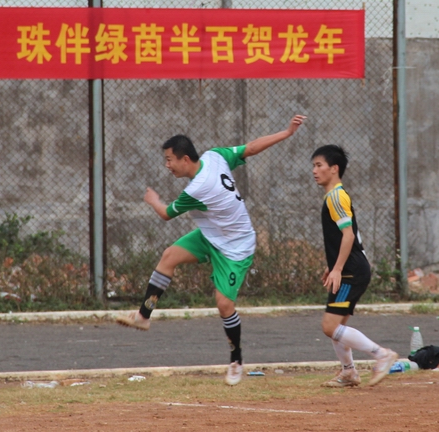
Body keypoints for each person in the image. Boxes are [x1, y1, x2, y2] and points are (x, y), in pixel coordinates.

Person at [117, 114, 307, 386]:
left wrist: (153, 199)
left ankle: (236, 361)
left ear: (185, 159)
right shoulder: (215, 156)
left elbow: (166, 214)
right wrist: (286, 132)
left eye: (169, 160)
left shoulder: (197, 188)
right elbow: (251, 148)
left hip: (236, 246)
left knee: (224, 304)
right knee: (169, 256)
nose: (167, 165)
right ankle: (143, 316)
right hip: (212, 234)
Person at [311, 144, 398, 387]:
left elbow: (348, 235)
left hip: (351, 272)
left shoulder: (336, 196)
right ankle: (349, 372)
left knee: (330, 326)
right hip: (351, 268)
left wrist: (339, 268)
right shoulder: (334, 196)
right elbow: (348, 237)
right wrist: (333, 265)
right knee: (338, 325)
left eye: (319, 165)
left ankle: (382, 355)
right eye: (313, 166)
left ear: (334, 168)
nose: (314, 171)